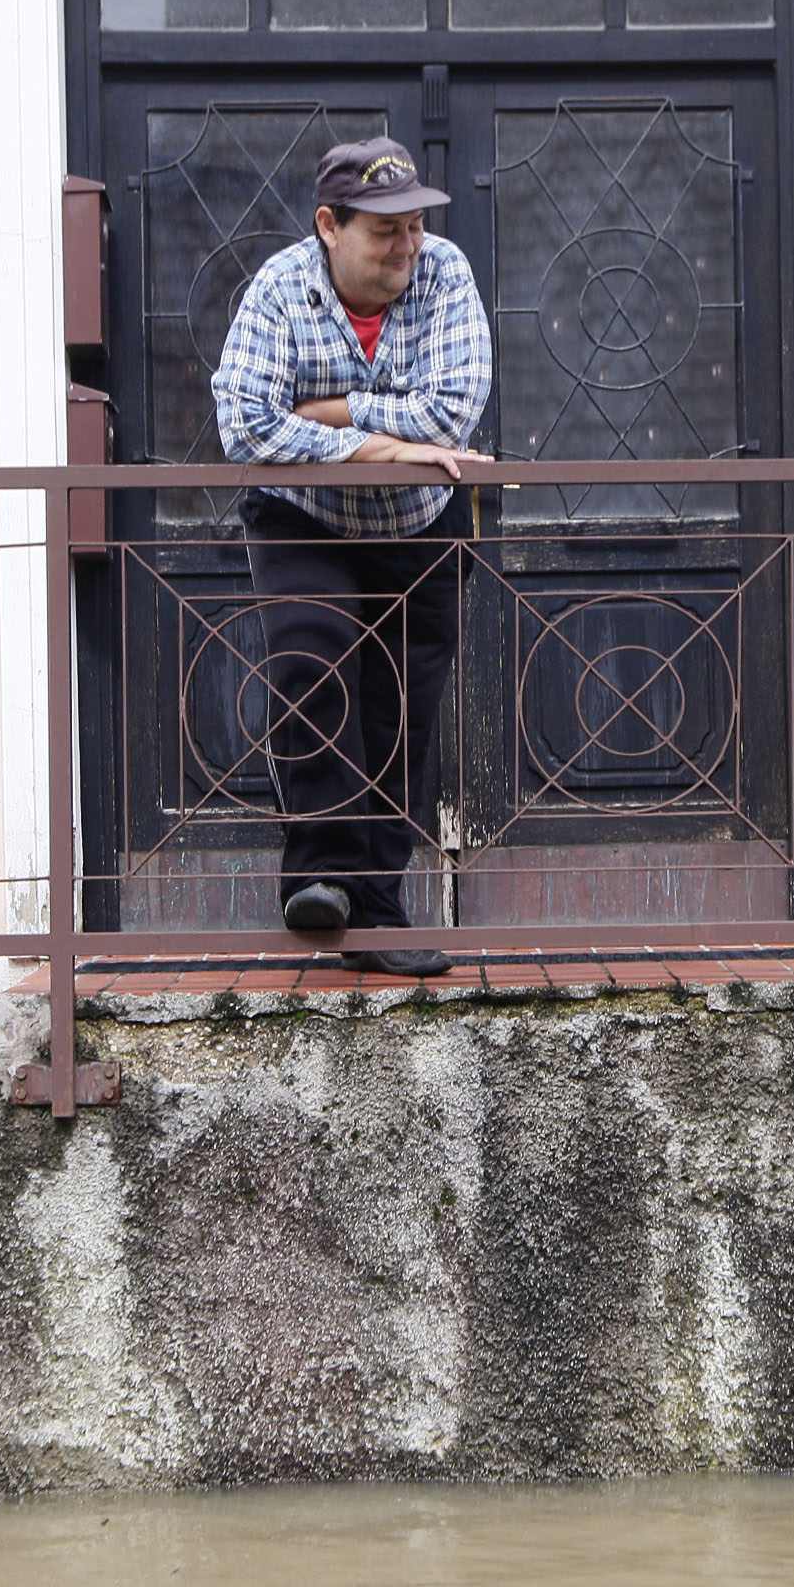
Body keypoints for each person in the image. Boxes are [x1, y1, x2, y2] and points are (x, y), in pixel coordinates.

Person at [209, 136, 496, 976]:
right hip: (305, 518)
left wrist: (332, 414)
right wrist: (385, 443)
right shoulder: (278, 289)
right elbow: (246, 426)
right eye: (385, 232)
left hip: (420, 525)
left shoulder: (446, 273)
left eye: (412, 225)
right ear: (329, 226)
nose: (407, 245)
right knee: (313, 665)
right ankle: (321, 881)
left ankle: (377, 911)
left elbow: (451, 415)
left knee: (399, 712)